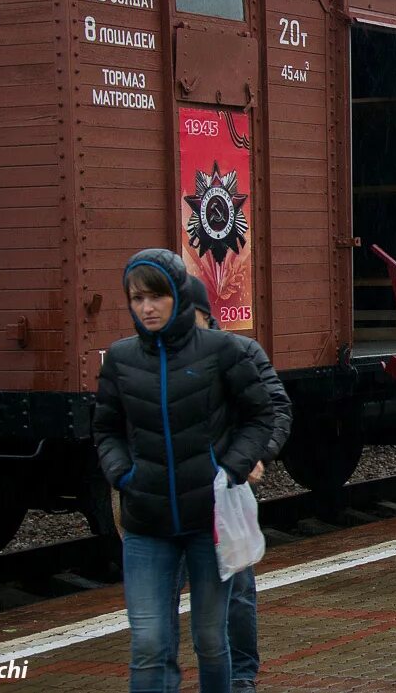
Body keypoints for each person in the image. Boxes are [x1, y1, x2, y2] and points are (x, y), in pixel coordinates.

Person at [94, 249, 276, 693]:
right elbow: (105, 429)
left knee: (211, 640)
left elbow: (261, 413)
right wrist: (123, 474)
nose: (147, 308)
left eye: (156, 296)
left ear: (178, 295)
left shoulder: (221, 349)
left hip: (207, 523)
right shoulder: (120, 359)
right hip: (146, 526)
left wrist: (230, 467)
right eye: (137, 299)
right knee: (149, 644)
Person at [186, 278, 292, 693]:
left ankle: (242, 673)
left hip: (224, 489)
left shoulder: (240, 351)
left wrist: (254, 456)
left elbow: (275, 406)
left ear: (202, 312)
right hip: (171, 494)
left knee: (236, 588)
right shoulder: (154, 357)